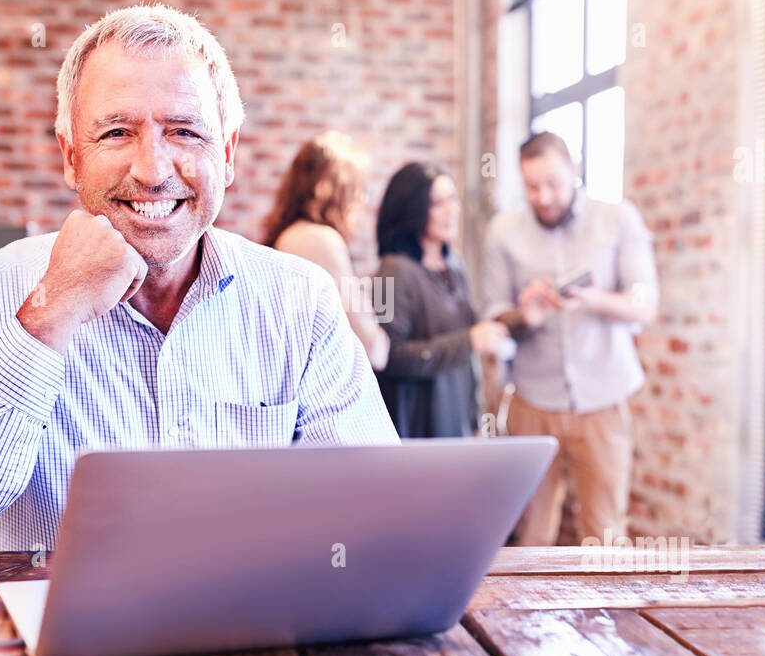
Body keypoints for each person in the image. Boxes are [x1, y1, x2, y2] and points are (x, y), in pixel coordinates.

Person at [0, 3, 398, 566]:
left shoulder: (301, 299)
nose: (152, 170)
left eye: (184, 131)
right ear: (71, 155)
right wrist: (52, 313)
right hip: (55, 647)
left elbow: (373, 522)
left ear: (226, 154)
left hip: (248, 641)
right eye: (118, 132)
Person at [482, 131, 658, 546]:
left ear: (575, 171)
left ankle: (608, 612)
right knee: (533, 534)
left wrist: (595, 299)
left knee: (605, 533)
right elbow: (492, 317)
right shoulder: (503, 233)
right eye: (532, 186)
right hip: (532, 402)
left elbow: (644, 303)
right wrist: (524, 315)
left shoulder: (618, 219)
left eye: (554, 184)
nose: (544, 197)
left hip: (603, 400)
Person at [374, 162, 512, 438]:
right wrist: (468, 341)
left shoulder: (454, 264)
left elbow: (467, 356)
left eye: (453, 199)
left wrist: (474, 422)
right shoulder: (390, 271)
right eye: (438, 203)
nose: (451, 211)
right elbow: (389, 358)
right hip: (415, 428)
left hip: (455, 420)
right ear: (411, 210)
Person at [265, 131, 390, 371]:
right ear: (328, 189)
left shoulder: (290, 234)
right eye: (356, 188)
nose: (362, 199)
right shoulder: (320, 240)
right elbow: (374, 348)